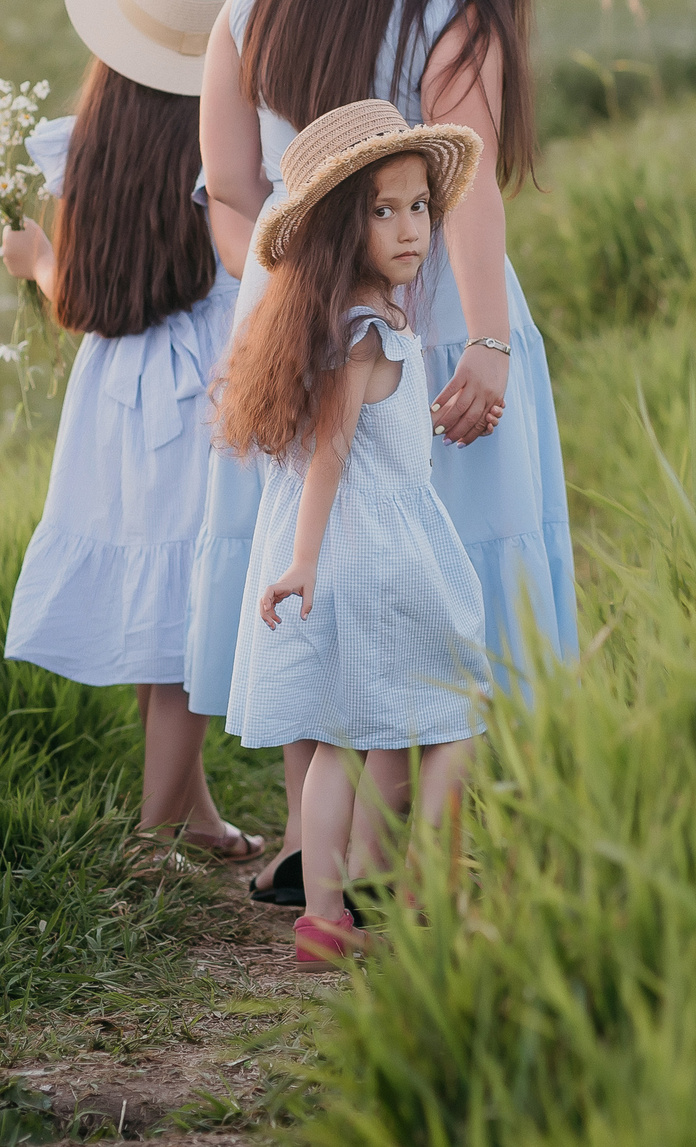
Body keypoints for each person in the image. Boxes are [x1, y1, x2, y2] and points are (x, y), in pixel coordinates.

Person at [189, 0, 577, 906]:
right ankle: (370, 855)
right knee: (434, 578)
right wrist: (490, 345)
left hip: (291, 325)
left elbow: (228, 190)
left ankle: (317, 848)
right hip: (434, 324)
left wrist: (282, 305)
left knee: (328, 575)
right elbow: (472, 198)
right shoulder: (456, 3)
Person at [0, 0, 265, 862]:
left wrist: (36, 259)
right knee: (182, 604)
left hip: (119, 396)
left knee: (166, 599)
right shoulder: (229, 149)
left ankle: (185, 815)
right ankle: (155, 836)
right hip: (201, 390)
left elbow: (87, 301)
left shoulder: (91, 144)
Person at [214, 100, 493, 967]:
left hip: (349, 553)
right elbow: (330, 450)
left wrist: (306, 560)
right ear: (344, 226)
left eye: (419, 207)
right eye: (383, 210)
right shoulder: (371, 333)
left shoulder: (347, 321)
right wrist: (302, 561)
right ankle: (429, 890)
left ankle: (325, 917)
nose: (411, 228)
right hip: (383, 549)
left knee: (339, 736)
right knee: (457, 714)